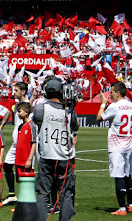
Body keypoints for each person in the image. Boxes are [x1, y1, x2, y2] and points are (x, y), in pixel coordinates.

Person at [32, 77, 79, 221]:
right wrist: (71, 105)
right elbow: (75, 126)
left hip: (47, 155)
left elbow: (35, 120)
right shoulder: (69, 111)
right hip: (65, 157)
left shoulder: (40, 108)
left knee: (43, 193)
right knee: (65, 194)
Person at [97, 81, 132, 216]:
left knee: (118, 176)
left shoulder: (115, 106)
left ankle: (121, 209)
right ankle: (130, 205)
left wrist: (103, 103)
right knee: (127, 175)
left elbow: (99, 118)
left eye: (112, 92)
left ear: (118, 93)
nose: (110, 95)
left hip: (116, 145)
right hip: (129, 144)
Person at [2, 81, 29, 205]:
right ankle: (12, 194)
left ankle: (27, 200)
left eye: (16, 90)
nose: (14, 93)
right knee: (7, 165)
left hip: (24, 144)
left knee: (25, 171)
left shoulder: (28, 105)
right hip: (15, 144)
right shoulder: (18, 105)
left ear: (23, 92)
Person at [14, 102, 37, 179]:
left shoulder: (31, 126)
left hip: (26, 160)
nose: (18, 114)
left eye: (20, 111)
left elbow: (34, 143)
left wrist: (29, 159)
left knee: (28, 182)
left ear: (26, 112)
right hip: (19, 160)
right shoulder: (20, 126)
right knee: (21, 182)